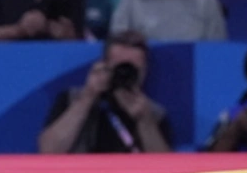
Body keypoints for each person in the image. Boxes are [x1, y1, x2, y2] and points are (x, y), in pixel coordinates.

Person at [38, 30, 174, 153]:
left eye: (131, 69)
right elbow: (48, 150)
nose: (124, 73)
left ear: (144, 71)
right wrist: (87, 97)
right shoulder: (72, 98)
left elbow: (165, 167)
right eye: (120, 67)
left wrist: (144, 120)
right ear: (105, 65)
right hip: (82, 171)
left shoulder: (154, 113)